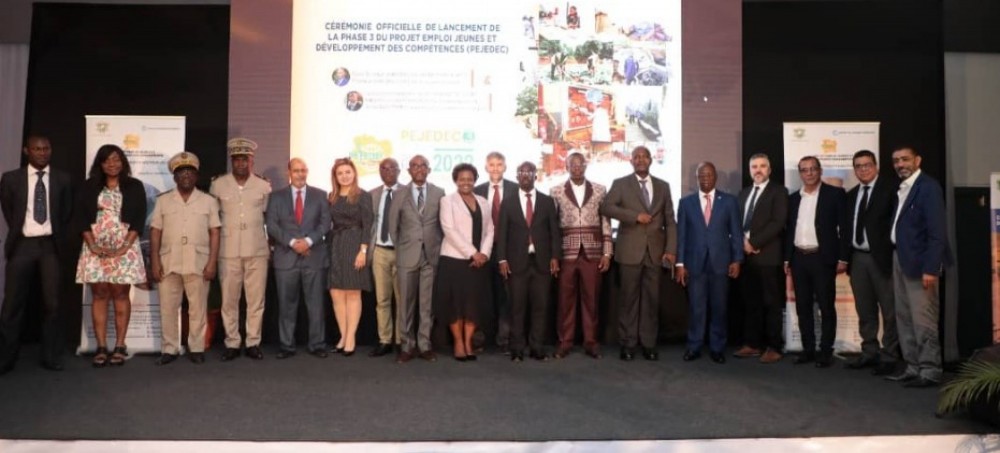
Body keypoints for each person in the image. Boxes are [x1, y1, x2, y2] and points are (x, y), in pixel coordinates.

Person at [0, 135, 74, 375]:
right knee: (12, 304)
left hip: (50, 246)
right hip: (23, 245)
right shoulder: (11, 178)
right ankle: (6, 357)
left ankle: (50, 356)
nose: (42, 153)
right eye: (37, 149)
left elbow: (66, 213)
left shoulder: (63, 179)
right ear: (26, 151)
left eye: (46, 148)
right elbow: (10, 211)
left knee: (53, 303)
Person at [600, 145, 677, 361]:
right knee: (628, 300)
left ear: (651, 160)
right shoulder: (621, 184)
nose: (640, 160)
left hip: (656, 253)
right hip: (629, 252)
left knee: (652, 301)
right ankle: (628, 344)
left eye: (644, 156)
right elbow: (606, 207)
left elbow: (670, 221)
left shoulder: (663, 186)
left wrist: (671, 250)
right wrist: (634, 216)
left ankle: (649, 344)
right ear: (631, 161)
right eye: (636, 157)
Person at [75, 144, 147, 367]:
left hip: (125, 246)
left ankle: (120, 345)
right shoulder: (89, 186)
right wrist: (93, 245)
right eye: (107, 160)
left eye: (116, 159)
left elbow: (139, 218)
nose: (112, 164)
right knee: (100, 294)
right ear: (100, 164)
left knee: (120, 294)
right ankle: (101, 346)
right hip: (95, 246)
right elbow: (80, 217)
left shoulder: (134, 186)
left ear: (123, 161)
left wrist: (125, 246)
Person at [887, 145, 951, 387]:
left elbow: (937, 233)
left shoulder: (928, 187)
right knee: (904, 318)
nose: (900, 164)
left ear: (918, 160)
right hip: (900, 259)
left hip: (921, 264)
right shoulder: (903, 188)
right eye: (896, 160)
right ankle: (913, 367)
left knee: (923, 320)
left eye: (905, 159)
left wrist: (931, 268)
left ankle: (930, 370)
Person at [149, 152, 221, 365]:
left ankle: (196, 348)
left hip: (198, 262)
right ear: (174, 177)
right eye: (181, 173)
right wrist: (154, 261)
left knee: (198, 308)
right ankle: (169, 349)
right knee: (168, 308)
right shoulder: (163, 201)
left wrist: (212, 262)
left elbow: (215, 232)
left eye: (190, 172)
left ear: (196, 176)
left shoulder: (208, 201)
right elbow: (155, 232)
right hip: (168, 262)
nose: (186, 176)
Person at [210, 138, 272, 361]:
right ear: (231, 161)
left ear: (252, 161)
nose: (240, 163)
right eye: (236, 159)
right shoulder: (218, 185)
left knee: (256, 301)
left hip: (256, 249)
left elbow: (268, 216)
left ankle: (253, 342)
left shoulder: (263, 186)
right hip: (228, 251)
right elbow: (213, 219)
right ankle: (232, 342)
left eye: (244, 159)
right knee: (229, 300)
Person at [784, 157, 848, 368]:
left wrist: (843, 258)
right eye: (804, 170)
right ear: (800, 173)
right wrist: (787, 258)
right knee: (803, 307)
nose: (809, 173)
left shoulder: (835, 194)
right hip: (799, 259)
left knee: (826, 307)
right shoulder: (793, 198)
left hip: (823, 258)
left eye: (813, 169)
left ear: (820, 171)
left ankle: (826, 351)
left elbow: (845, 228)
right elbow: (789, 230)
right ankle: (808, 350)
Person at [675, 162, 742, 364]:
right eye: (701, 176)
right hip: (694, 264)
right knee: (697, 308)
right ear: (697, 178)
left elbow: (736, 233)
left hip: (721, 263)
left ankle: (717, 348)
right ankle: (694, 346)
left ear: (715, 177)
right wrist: (680, 263)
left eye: (709, 175)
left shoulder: (729, 201)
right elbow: (682, 236)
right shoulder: (686, 203)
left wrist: (737, 259)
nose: (705, 179)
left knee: (719, 308)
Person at [266, 158, 331, 359]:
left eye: (303, 170)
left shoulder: (320, 195)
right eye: (296, 170)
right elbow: (272, 225)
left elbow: (325, 223)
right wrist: (294, 243)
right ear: (289, 172)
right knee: (286, 305)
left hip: (314, 257)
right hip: (286, 258)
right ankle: (287, 345)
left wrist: (308, 241)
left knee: (316, 305)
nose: (300, 174)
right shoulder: (276, 197)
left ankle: (317, 344)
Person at [549, 153, 612, 359]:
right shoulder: (556, 190)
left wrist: (607, 252)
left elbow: (605, 221)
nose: (576, 167)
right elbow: (553, 226)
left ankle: (591, 342)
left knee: (591, 299)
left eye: (580, 164)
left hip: (593, 252)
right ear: (566, 166)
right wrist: (554, 255)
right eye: (572, 164)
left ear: (586, 166)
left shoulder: (600, 190)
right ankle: (564, 342)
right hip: (566, 253)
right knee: (565, 301)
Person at [842, 150, 900, 375]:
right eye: (858, 166)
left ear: (876, 166)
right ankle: (869, 352)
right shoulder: (851, 195)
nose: (863, 169)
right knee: (865, 310)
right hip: (857, 258)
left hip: (882, 258)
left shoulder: (891, 190)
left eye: (867, 165)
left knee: (889, 311)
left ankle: (890, 356)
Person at [497, 162, 561, 362]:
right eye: (521, 172)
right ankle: (517, 349)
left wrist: (555, 257)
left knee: (540, 307)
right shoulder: (508, 202)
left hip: (542, 263)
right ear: (517, 176)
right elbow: (502, 233)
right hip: (516, 263)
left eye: (529, 172)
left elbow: (554, 232)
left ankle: (537, 348)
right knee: (517, 308)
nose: (525, 175)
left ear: (536, 176)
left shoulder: (547, 201)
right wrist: (502, 259)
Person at [387, 155, 445, 363]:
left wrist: (436, 247)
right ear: (409, 170)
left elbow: (442, 225)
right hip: (407, 255)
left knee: (427, 305)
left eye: (423, 166)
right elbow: (393, 226)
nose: (419, 169)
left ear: (429, 169)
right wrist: (402, 248)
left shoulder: (439, 193)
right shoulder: (399, 193)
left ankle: (424, 345)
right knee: (406, 304)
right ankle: (406, 346)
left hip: (430, 256)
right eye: (414, 166)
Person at [732, 153, 788, 364]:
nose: (758, 170)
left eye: (762, 166)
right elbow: (736, 222)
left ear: (769, 170)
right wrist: (741, 243)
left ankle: (774, 346)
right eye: (754, 166)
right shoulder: (744, 193)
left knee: (772, 303)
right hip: (746, 257)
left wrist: (753, 243)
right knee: (751, 302)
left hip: (768, 256)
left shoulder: (779, 192)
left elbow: (778, 222)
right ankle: (753, 344)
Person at [438, 163, 494, 361]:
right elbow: (449, 230)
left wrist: (484, 254)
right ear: (456, 180)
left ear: (475, 180)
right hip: (454, 261)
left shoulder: (483, 201)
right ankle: (458, 343)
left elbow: (490, 230)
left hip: (478, 263)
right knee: (455, 305)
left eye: (470, 179)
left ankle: (469, 342)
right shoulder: (447, 201)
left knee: (473, 305)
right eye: (462, 179)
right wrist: (473, 253)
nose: (466, 182)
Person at [327, 158, 373, 356]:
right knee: (336, 293)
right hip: (335, 245)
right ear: (335, 176)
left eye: (348, 172)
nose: (344, 176)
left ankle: (351, 337)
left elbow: (368, 225)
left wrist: (363, 251)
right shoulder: (331, 196)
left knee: (353, 292)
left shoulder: (363, 196)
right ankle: (343, 336)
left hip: (355, 245)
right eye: (340, 173)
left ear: (354, 173)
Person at [473, 152, 518, 353]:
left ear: (505, 167)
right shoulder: (476, 191)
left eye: (499, 164)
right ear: (486, 167)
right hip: (483, 250)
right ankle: (480, 339)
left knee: (507, 297)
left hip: (509, 251)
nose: (495, 168)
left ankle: (504, 339)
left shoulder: (516, 189)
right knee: (482, 296)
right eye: (491, 164)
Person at [368, 158, 404, 357]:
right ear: (380, 171)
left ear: (399, 171)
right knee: (382, 299)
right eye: (384, 168)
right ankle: (385, 340)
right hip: (380, 251)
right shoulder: (372, 194)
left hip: (402, 252)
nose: (388, 171)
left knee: (402, 299)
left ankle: (400, 340)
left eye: (392, 168)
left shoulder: (407, 192)